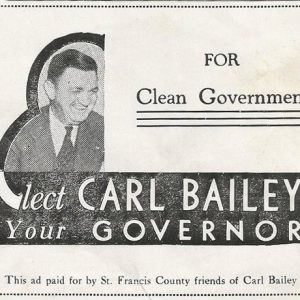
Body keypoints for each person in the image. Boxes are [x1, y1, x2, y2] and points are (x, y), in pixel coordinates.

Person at [5, 48, 104, 172]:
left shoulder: (104, 130)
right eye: (76, 90)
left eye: (92, 91)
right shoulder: (19, 134)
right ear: (51, 90)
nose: (85, 101)